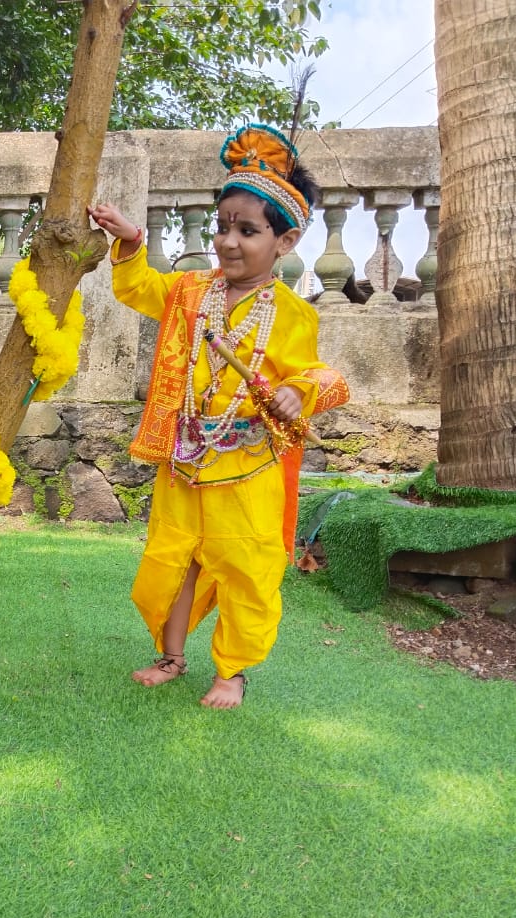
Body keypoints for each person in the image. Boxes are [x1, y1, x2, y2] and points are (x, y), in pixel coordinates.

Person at [88, 123, 349, 709]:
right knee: (170, 560)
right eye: (223, 227)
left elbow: (321, 376)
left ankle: (232, 672)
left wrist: (297, 392)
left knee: (245, 568)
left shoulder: (292, 313)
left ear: (285, 241)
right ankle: (172, 656)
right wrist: (130, 241)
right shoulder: (189, 292)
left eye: (247, 231)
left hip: (248, 466)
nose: (229, 242)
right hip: (184, 461)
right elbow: (139, 288)